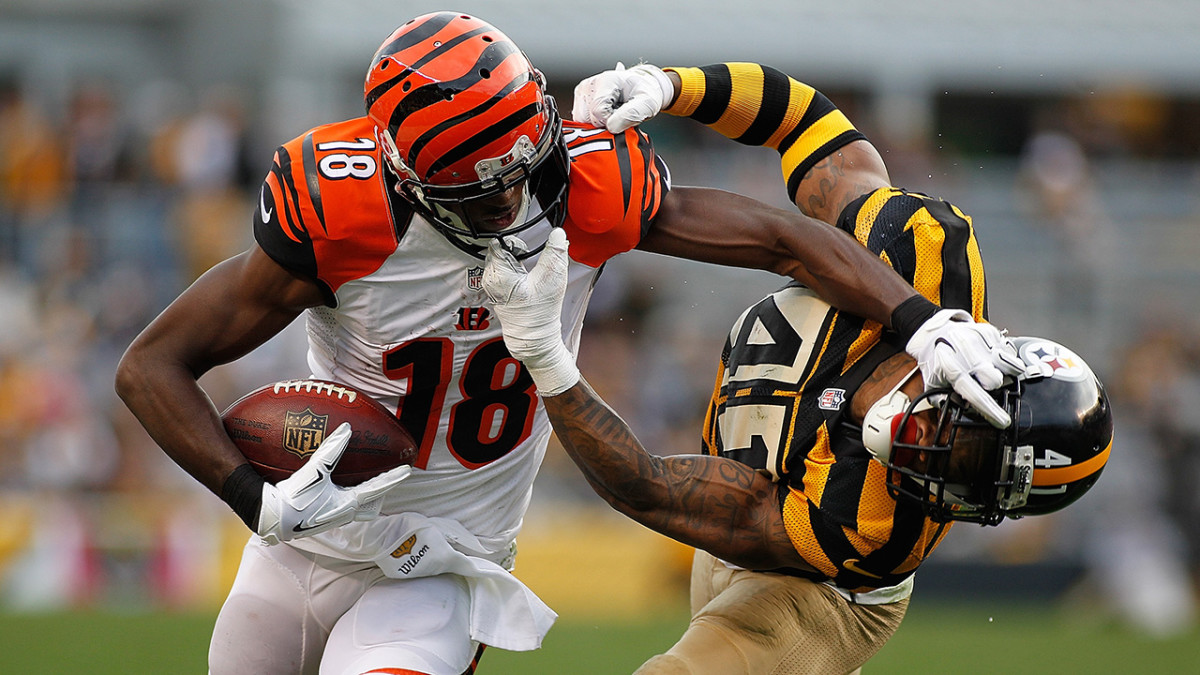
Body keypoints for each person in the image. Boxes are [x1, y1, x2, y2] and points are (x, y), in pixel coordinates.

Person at [115, 13, 1019, 673]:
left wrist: (920, 319)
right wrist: (251, 497)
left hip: (445, 559)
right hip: (300, 544)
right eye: (489, 193)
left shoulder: (586, 185)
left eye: (529, 164)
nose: (523, 200)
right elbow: (149, 365)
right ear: (410, 180)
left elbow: (782, 237)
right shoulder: (337, 211)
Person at [459, 61, 1114, 673]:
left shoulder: (873, 525)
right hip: (741, 535)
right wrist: (673, 86)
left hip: (814, 591)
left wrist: (545, 355)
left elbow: (649, 486)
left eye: (973, 481)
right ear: (993, 362)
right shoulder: (923, 256)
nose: (945, 462)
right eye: (973, 440)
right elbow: (806, 127)